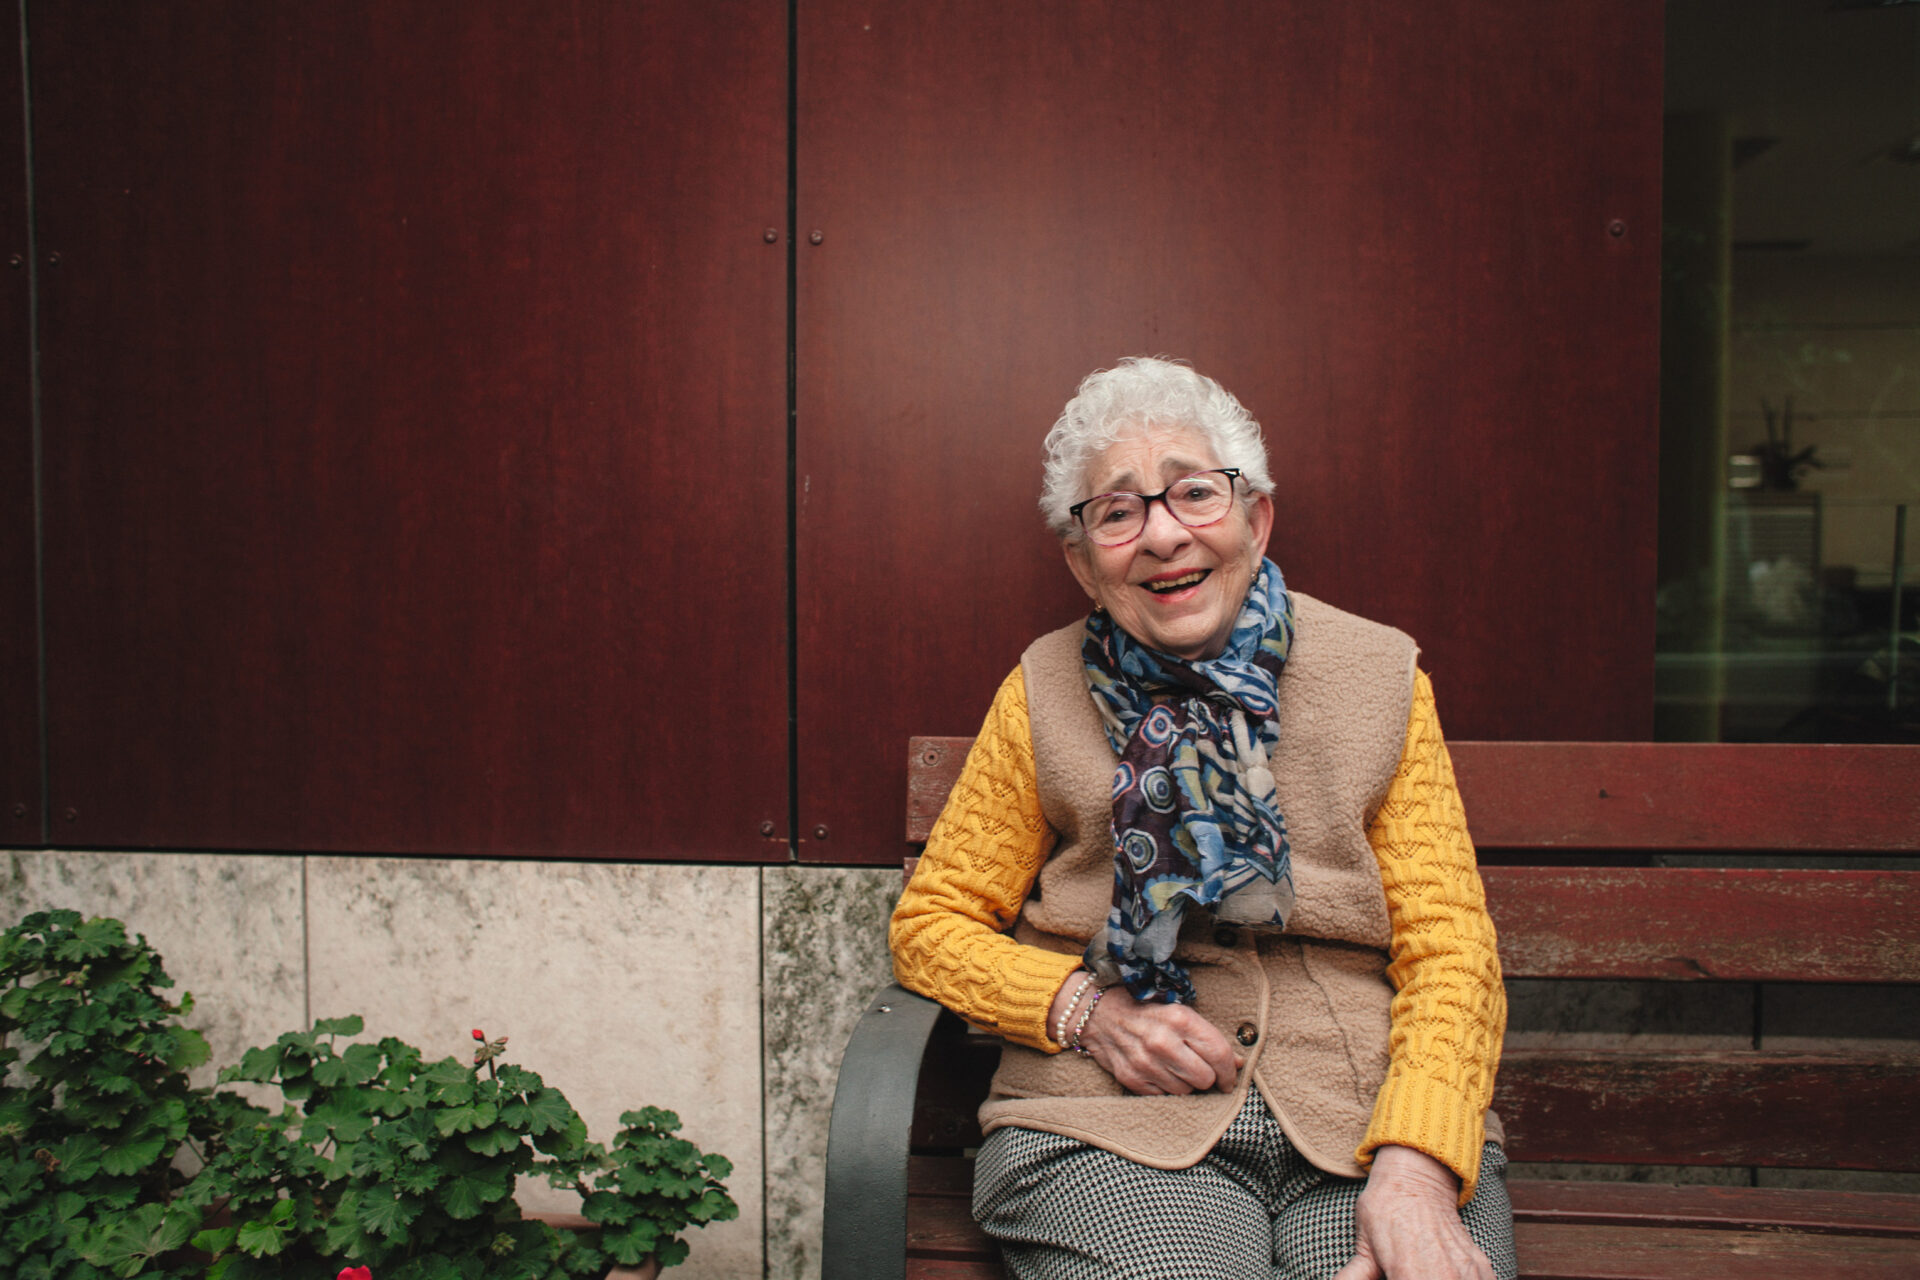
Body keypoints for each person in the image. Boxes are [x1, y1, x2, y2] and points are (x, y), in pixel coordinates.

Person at [890, 357, 1513, 1280]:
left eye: (1193, 495)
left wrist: (1416, 1167)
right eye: (1117, 511)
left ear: (1255, 519)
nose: (1162, 536)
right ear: (1082, 561)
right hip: (1107, 1125)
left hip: (1363, 1116)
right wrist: (1085, 1012)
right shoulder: (1040, 693)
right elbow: (931, 926)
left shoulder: (1380, 676)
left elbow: (1452, 948)